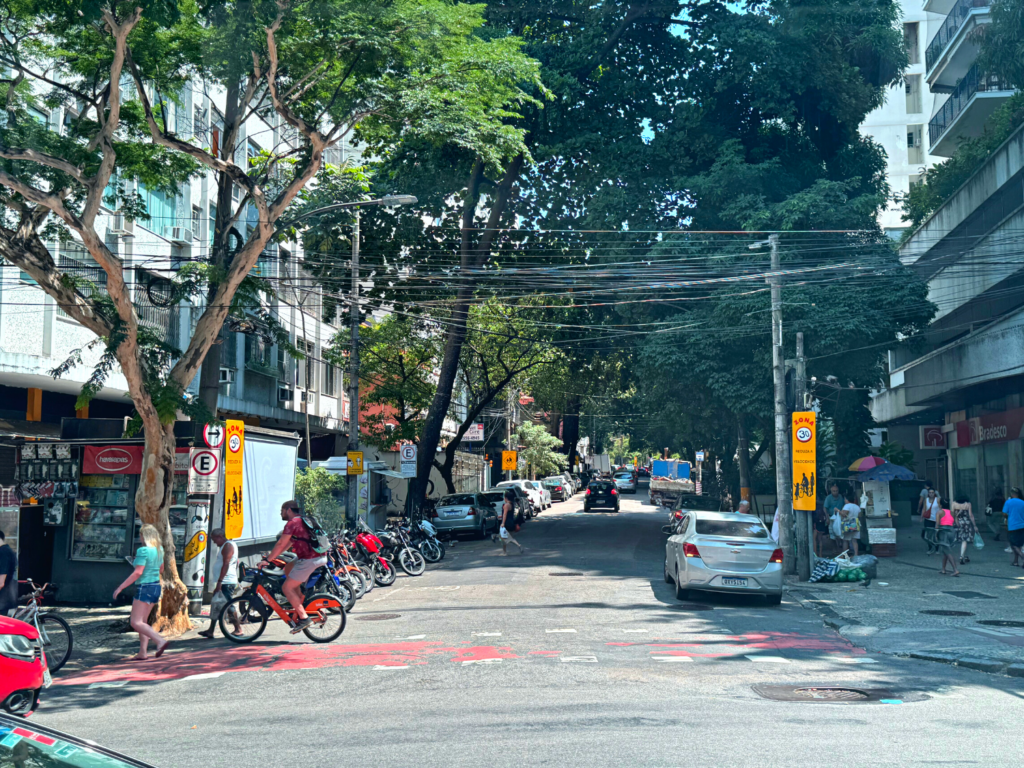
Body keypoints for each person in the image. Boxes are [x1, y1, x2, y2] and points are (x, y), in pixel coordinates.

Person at [257, 500, 327, 633]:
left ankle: (304, 617)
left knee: (286, 587)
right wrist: (273, 557)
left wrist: (267, 560)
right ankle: (298, 600)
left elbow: (280, 543)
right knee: (288, 568)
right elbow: (287, 544)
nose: (280, 514)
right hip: (314, 556)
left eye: (281, 511)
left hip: (310, 559)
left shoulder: (292, 523)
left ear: (288, 510)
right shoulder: (303, 520)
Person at [113, 524, 169, 661]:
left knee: (135, 622)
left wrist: (120, 587)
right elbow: (161, 569)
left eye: (141, 535)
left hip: (145, 587)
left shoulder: (143, 551)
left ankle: (160, 641)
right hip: (155, 587)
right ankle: (143, 652)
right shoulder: (159, 550)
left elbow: (138, 572)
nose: (140, 537)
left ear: (145, 536)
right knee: (143, 622)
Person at [198, 528, 241, 639]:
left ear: (220, 537)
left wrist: (220, 582)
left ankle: (238, 628)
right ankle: (211, 630)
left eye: (214, 539)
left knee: (228, 605)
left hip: (226, 581)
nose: (214, 542)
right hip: (224, 581)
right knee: (216, 604)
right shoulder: (227, 545)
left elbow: (226, 564)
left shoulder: (228, 546)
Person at [952, 494, 978, 566]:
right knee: (965, 540)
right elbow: (970, 515)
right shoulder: (968, 504)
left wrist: (956, 521)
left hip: (958, 523)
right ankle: (962, 556)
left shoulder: (954, 504)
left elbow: (953, 514)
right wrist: (975, 525)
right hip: (966, 523)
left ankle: (965, 556)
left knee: (962, 540)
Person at [935, 501, 959, 576]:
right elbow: (957, 524)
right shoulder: (953, 513)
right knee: (944, 550)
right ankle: (943, 569)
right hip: (951, 531)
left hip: (943, 531)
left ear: (941, 505)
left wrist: (935, 534)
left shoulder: (939, 512)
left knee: (947, 551)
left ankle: (955, 570)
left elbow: (937, 524)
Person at [498, 490, 524, 555]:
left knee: (505, 538)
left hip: (506, 523)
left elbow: (505, 514)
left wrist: (503, 523)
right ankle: (505, 552)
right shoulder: (511, 504)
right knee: (507, 538)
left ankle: (517, 546)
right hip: (511, 523)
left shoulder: (506, 505)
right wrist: (501, 516)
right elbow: (508, 514)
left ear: (506, 498)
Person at [1005, 487, 1024, 567]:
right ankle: (1015, 561)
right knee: (1019, 544)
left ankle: (1022, 556)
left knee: (1013, 544)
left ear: (1012, 494)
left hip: (1012, 526)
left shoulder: (1009, 502)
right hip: (1022, 526)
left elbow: (1004, 513)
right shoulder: (1023, 502)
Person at [0, 530, 17, 617]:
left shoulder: (3, 553)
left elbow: (1, 582)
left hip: (3, 599)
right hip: (9, 597)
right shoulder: (9, 551)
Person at [840, 490, 861, 557]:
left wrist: (839, 511)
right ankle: (856, 554)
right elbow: (860, 515)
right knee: (854, 541)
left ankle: (844, 555)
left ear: (846, 499)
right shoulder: (857, 506)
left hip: (848, 525)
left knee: (845, 540)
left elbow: (844, 514)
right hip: (856, 525)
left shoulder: (847, 506)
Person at [921, 487, 941, 555]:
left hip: (936, 519)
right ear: (928, 493)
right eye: (930, 493)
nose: (931, 494)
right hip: (928, 519)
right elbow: (924, 509)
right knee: (928, 536)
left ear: (934, 493)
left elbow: (940, 509)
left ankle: (937, 548)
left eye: (932, 492)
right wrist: (922, 517)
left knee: (936, 535)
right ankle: (930, 548)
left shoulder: (937, 500)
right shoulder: (926, 500)